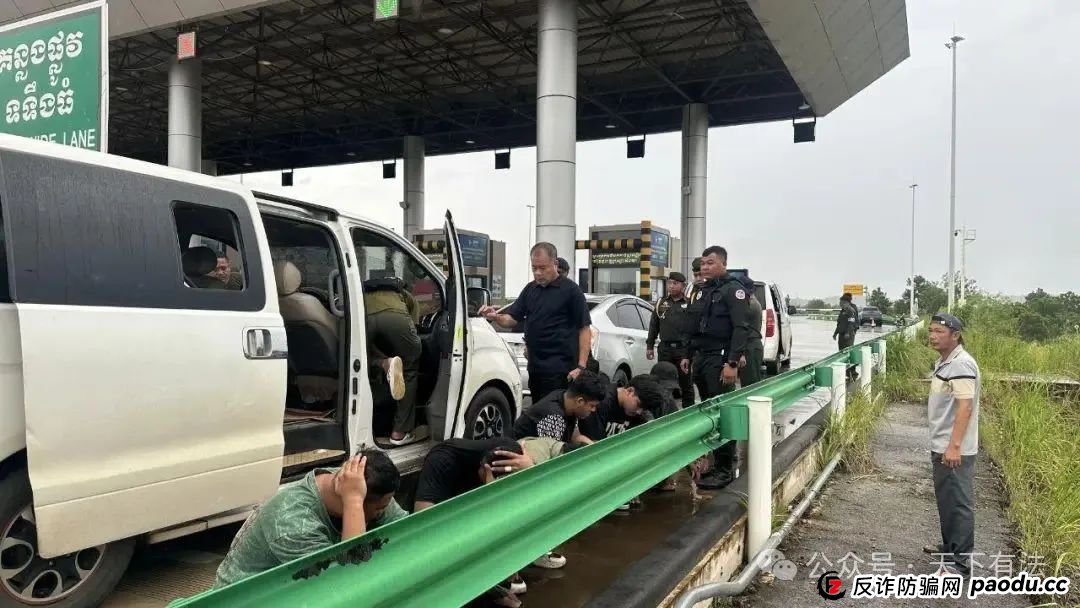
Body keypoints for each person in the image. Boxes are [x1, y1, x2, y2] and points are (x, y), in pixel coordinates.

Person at [414, 437, 583, 605]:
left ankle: (492, 580)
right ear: (486, 470)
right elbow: (424, 536)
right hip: (446, 522)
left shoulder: (513, 453)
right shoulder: (441, 461)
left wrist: (510, 563)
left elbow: (515, 514)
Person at [212, 450, 406, 588]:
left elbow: (407, 535)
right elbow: (347, 582)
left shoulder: (355, 482)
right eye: (380, 509)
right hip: (249, 598)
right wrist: (354, 502)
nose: (383, 512)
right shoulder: (293, 521)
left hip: (294, 586)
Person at [481, 243, 592, 400]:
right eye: (534, 268)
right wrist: (496, 317)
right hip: (535, 368)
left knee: (555, 412)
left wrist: (581, 366)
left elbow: (584, 329)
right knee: (538, 409)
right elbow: (512, 319)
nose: (538, 273)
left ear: (555, 264)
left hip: (561, 370)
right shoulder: (530, 290)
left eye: (543, 268)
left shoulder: (571, 291)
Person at [680, 246, 750, 490]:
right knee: (709, 412)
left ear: (723, 264)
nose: (705, 267)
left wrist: (732, 363)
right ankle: (717, 462)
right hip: (701, 357)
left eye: (710, 263)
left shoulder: (733, 290)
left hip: (720, 360)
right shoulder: (704, 291)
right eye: (703, 263)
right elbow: (695, 324)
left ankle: (725, 469)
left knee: (722, 413)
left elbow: (740, 328)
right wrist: (688, 354)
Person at [924, 313, 980, 576]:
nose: (932, 336)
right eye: (931, 331)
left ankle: (959, 562)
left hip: (953, 447)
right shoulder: (946, 362)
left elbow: (964, 406)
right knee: (947, 501)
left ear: (955, 335)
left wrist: (955, 446)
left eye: (939, 332)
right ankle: (950, 548)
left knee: (958, 503)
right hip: (943, 443)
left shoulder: (961, 364)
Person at [364, 276, 423, 445]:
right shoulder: (405, 296)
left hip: (364, 315)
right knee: (409, 364)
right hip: (395, 318)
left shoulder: (364, 293)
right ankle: (399, 432)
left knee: (359, 359)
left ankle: (384, 363)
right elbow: (412, 330)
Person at [512, 370, 607, 443]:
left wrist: (591, 446)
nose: (593, 410)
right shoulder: (553, 417)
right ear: (580, 401)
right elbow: (553, 454)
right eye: (592, 405)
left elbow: (574, 435)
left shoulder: (566, 398)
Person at [646, 272, 695, 408]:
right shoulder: (661, 303)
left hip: (683, 350)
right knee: (663, 383)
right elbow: (654, 326)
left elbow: (693, 328)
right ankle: (665, 411)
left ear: (683, 286)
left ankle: (688, 413)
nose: (671, 286)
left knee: (686, 384)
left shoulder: (689, 303)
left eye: (675, 283)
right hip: (665, 349)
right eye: (669, 283)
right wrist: (650, 346)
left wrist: (690, 352)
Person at [578, 374, 666, 442]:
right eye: (638, 404)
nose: (639, 411)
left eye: (644, 409)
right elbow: (591, 442)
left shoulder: (640, 414)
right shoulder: (600, 402)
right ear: (630, 391)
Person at [738, 275, 765, 388]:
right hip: (752, 346)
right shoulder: (752, 301)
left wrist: (741, 353)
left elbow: (741, 329)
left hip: (750, 347)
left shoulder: (749, 305)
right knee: (750, 381)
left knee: (750, 384)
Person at [833, 292, 859, 381]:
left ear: (846, 302)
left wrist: (848, 332)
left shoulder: (851, 310)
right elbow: (839, 324)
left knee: (848, 353)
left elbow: (851, 323)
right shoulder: (842, 311)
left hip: (848, 335)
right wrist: (835, 333)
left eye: (841, 302)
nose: (840, 304)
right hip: (841, 335)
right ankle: (847, 373)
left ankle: (853, 373)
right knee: (842, 354)